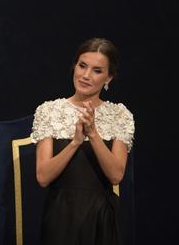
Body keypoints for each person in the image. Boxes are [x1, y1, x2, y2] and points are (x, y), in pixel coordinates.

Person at [31, 37, 135, 245]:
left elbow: (115, 175)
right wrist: (76, 141)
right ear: (75, 67)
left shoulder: (120, 115)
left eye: (97, 70)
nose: (86, 75)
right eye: (82, 66)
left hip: (100, 216)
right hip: (61, 215)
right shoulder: (49, 111)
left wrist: (93, 134)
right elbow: (43, 177)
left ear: (109, 78)